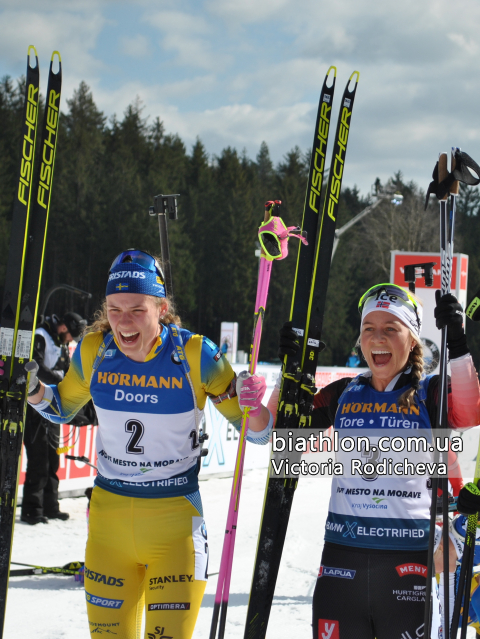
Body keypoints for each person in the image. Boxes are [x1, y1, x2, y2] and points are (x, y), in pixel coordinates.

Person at [27, 249, 272, 639]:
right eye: (114, 309)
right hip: (109, 528)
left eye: (137, 309)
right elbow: (60, 408)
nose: (123, 322)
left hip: (175, 529)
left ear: (161, 306)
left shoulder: (196, 355)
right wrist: (32, 389)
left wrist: (254, 404)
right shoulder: (96, 350)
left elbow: (256, 433)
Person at [273, 284, 480, 639]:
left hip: (409, 563)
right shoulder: (343, 393)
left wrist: (458, 344)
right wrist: (290, 372)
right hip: (342, 564)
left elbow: (471, 410)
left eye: (391, 328)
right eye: (369, 328)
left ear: (412, 339)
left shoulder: (430, 393)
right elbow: (287, 441)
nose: (377, 338)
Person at [21, 311, 87, 525]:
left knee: (53, 458)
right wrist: (58, 380)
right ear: (63, 327)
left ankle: (50, 506)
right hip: (36, 405)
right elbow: (36, 366)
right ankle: (32, 509)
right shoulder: (41, 335)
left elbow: (67, 370)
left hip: (53, 403)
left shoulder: (60, 343)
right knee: (38, 458)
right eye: (70, 335)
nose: (69, 340)